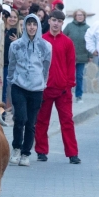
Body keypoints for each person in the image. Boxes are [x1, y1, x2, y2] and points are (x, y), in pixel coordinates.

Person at [35, 10, 81, 165]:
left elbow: (71, 65)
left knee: (67, 121)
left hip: (63, 90)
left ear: (62, 23)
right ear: (49, 21)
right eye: (53, 20)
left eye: (59, 21)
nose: (56, 23)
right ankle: (41, 151)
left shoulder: (67, 42)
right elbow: (37, 65)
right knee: (42, 121)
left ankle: (72, 153)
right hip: (45, 89)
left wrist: (68, 86)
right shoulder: (41, 40)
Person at [7, 14, 51, 167]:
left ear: (38, 26)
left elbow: (46, 68)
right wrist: (10, 83)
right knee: (20, 118)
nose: (32, 27)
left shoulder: (46, 46)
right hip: (18, 86)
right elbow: (11, 66)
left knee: (31, 123)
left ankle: (26, 153)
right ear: (24, 26)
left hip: (37, 88)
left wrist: (42, 83)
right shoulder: (15, 45)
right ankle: (16, 148)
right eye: (29, 24)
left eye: (34, 24)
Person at [63, 8, 91, 103]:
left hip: (82, 56)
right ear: (75, 16)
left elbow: (90, 42)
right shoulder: (69, 26)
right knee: (68, 76)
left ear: (84, 17)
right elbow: (63, 38)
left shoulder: (87, 28)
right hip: (70, 57)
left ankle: (79, 96)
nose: (80, 17)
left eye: (81, 15)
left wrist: (90, 55)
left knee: (79, 76)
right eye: (78, 15)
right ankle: (66, 94)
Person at [2, 8, 21, 108]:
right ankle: (2, 115)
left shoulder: (19, 34)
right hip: (2, 64)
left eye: (15, 17)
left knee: (9, 92)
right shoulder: (2, 30)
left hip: (13, 67)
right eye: (10, 16)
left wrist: (17, 42)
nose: (12, 19)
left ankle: (8, 115)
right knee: (2, 92)